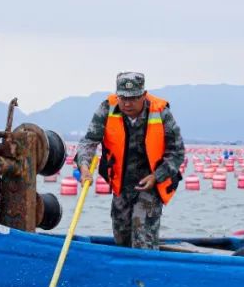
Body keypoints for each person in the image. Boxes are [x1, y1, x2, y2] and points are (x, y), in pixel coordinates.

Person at [75, 71, 186, 250]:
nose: (127, 103)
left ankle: (145, 275)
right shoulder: (106, 108)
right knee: (121, 238)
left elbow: (177, 152)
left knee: (142, 238)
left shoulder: (161, 113)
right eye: (123, 98)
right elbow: (89, 141)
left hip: (151, 183)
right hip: (121, 184)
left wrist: (156, 176)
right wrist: (84, 166)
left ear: (143, 94)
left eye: (133, 98)